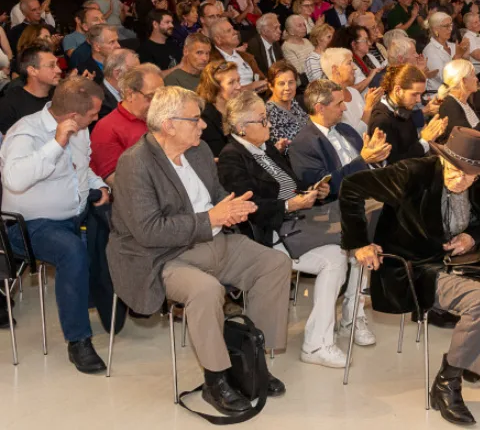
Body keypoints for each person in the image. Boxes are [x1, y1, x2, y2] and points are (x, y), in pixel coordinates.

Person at [109, 86, 291, 415]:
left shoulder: (199, 150)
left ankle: (252, 360)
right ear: (169, 125)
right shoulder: (135, 164)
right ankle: (216, 378)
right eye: (195, 119)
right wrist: (211, 218)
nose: (203, 125)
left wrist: (233, 207)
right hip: (161, 257)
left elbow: (218, 193)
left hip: (213, 240)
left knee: (275, 263)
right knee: (207, 290)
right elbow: (149, 231)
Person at [340, 127, 480, 426]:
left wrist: (471, 236)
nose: (462, 180)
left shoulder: (478, 180)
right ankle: (447, 383)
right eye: (456, 171)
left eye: (470, 175)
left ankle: (476, 362)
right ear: (443, 160)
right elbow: (351, 187)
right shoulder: (412, 174)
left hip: (459, 259)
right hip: (412, 266)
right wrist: (359, 243)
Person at [216, 91, 372, 368]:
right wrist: (290, 205)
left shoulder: (266, 148)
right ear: (241, 127)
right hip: (268, 233)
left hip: (295, 223)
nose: (269, 125)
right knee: (342, 249)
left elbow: (290, 184)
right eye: (262, 120)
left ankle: (324, 337)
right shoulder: (232, 157)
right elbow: (246, 207)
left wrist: (315, 191)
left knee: (347, 246)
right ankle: (320, 342)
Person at [0, 76, 118, 374]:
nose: (96, 117)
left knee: (120, 223)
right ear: (72, 116)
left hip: (73, 213)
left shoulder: (80, 130)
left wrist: (98, 185)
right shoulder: (25, 133)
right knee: (71, 252)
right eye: (93, 114)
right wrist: (55, 144)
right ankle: (78, 341)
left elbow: (82, 168)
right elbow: (14, 179)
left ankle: (111, 306)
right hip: (29, 226)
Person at [289, 79, 392, 198]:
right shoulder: (303, 145)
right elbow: (323, 188)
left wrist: (376, 156)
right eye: (339, 103)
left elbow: (369, 165)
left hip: (373, 190)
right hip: (346, 202)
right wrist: (363, 160)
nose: (344, 108)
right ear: (320, 108)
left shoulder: (345, 128)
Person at [91, 64, 162, 184]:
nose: (157, 103)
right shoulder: (106, 128)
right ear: (130, 95)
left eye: (161, 96)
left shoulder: (159, 116)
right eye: (150, 97)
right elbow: (115, 180)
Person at [368, 64, 449, 164]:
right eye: (415, 94)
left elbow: (408, 146)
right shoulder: (381, 121)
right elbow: (395, 165)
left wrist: (431, 134)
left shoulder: (402, 107)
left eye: (421, 94)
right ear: (398, 90)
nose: (419, 100)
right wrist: (424, 141)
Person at [436, 59, 480, 142]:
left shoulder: (465, 103)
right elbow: (468, 139)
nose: (477, 79)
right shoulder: (449, 105)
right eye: (473, 75)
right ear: (463, 81)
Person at [0, 44, 61, 135]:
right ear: (32, 71)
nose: (59, 70)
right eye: (51, 65)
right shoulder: (11, 104)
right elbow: (7, 144)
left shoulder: (61, 96)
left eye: (57, 64)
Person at [320, 47, 381, 135]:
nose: (354, 67)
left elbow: (370, 123)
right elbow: (353, 138)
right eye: (349, 63)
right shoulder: (331, 102)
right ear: (335, 69)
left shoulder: (353, 91)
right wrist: (368, 107)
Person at [197, 60, 242, 157]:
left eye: (238, 80)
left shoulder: (238, 109)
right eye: (231, 82)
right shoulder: (204, 118)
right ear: (214, 87)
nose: (238, 86)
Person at [208, 19, 267, 92]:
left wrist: (263, 85)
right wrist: (248, 88)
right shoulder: (211, 61)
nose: (235, 32)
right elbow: (218, 92)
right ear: (218, 39)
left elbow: (261, 79)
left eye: (233, 29)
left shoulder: (246, 57)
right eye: (229, 31)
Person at [423, 11, 470, 93]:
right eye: (446, 26)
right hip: (439, 96)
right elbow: (445, 79)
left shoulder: (452, 46)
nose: (450, 29)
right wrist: (458, 56)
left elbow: (466, 70)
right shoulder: (430, 51)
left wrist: (465, 53)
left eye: (451, 25)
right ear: (435, 29)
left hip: (458, 91)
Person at [266, 60, 310, 143]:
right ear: (271, 86)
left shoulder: (293, 102)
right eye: (281, 84)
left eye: (291, 82)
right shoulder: (269, 113)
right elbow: (285, 148)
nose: (287, 88)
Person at [98, 48, 139, 119]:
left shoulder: (135, 89)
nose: (139, 77)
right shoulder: (100, 103)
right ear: (117, 74)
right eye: (134, 72)